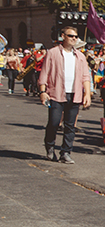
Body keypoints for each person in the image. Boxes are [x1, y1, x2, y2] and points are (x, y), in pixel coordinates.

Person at [38, 28, 92, 163]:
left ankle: (66, 152)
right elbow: (44, 72)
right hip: (56, 94)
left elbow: (86, 76)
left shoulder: (80, 56)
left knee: (70, 125)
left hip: (74, 94)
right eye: (71, 36)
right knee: (54, 122)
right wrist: (42, 91)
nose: (74, 38)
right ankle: (50, 148)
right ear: (63, 36)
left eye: (76, 36)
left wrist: (87, 94)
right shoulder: (53, 53)